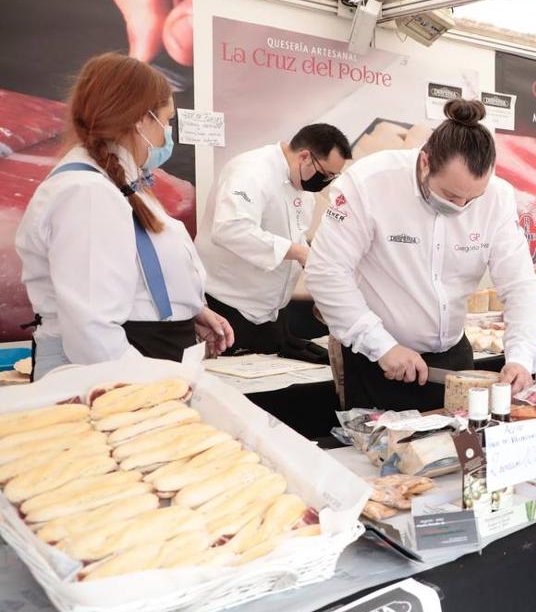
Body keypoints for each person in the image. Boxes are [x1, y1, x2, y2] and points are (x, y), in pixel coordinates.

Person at [305, 99, 536, 411]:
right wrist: (381, 346)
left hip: (453, 358)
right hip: (379, 358)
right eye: (451, 195)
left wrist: (521, 357)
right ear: (426, 162)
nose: (462, 206)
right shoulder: (369, 183)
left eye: (473, 198)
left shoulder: (498, 196)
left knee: (460, 451)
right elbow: (326, 273)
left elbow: (519, 284)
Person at [16, 53, 232, 379]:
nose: (168, 133)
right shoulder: (87, 193)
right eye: (167, 120)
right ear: (140, 120)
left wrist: (188, 310)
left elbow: (136, 276)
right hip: (110, 373)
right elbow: (93, 330)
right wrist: (144, 388)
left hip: (141, 358)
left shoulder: (119, 182)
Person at [197, 124, 352, 363]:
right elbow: (229, 228)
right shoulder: (250, 170)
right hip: (227, 307)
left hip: (271, 313)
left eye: (334, 176)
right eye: (326, 174)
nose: (327, 181)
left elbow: (294, 235)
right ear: (304, 157)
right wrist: (299, 252)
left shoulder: (301, 184)